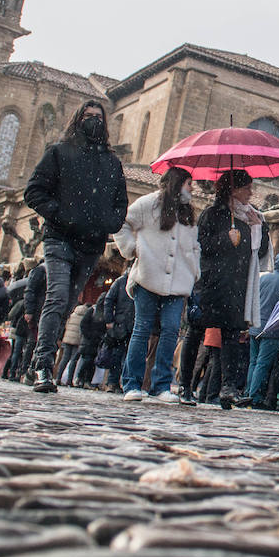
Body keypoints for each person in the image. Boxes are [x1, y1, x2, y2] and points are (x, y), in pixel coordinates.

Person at [23, 100, 128, 393]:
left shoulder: (111, 162)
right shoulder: (59, 152)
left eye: (98, 117)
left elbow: (121, 203)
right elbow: (33, 191)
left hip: (91, 245)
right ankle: (42, 364)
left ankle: (43, 359)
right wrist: (60, 213)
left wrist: (110, 222)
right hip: (59, 239)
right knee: (57, 297)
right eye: (88, 116)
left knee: (68, 303)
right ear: (77, 119)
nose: (94, 121)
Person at [114, 166, 199, 402]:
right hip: (147, 277)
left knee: (171, 330)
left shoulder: (187, 214)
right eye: (189, 183)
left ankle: (161, 385)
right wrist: (132, 249)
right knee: (142, 329)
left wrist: (195, 271)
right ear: (177, 183)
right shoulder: (148, 204)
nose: (192, 189)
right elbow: (122, 224)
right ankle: (132, 383)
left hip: (178, 282)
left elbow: (194, 245)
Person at [185, 168, 268, 409]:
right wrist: (225, 238)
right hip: (211, 283)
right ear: (233, 189)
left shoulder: (251, 217)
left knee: (232, 335)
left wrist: (257, 229)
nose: (251, 192)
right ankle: (186, 385)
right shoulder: (212, 214)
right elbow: (201, 245)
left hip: (237, 285)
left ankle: (229, 388)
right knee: (196, 332)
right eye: (247, 188)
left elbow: (260, 253)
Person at [247, 253, 279, 408]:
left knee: (253, 362)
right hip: (272, 330)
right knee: (263, 363)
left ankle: (248, 392)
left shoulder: (263, 278)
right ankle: (255, 397)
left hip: (255, 326)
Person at [100, 271, 136, 394]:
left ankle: (124, 382)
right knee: (117, 355)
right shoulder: (121, 282)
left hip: (132, 323)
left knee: (128, 356)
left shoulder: (133, 282)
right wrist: (109, 320)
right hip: (121, 323)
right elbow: (108, 300)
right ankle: (112, 382)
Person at [57, 300, 88, 386]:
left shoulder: (72, 315)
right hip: (77, 340)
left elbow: (66, 326)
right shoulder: (85, 316)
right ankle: (69, 380)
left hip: (67, 339)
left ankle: (58, 378)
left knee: (64, 359)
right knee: (73, 360)